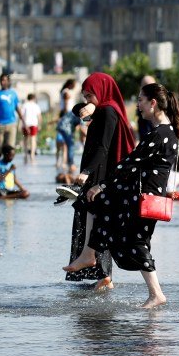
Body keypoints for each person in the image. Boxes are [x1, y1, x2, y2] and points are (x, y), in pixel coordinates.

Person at [63, 83, 179, 308]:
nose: (138, 105)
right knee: (106, 213)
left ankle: (156, 294)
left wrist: (102, 185)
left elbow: (129, 163)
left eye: (141, 100)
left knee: (135, 239)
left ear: (153, 103)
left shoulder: (159, 134)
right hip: (144, 194)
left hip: (144, 197)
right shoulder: (167, 132)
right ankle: (89, 253)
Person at [63, 73, 137, 291]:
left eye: (90, 96)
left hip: (101, 173)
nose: (86, 101)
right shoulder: (105, 108)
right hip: (101, 171)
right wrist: (88, 106)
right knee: (93, 221)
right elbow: (76, 109)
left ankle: (104, 275)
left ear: (102, 91)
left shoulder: (108, 112)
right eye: (84, 96)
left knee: (96, 221)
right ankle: (102, 275)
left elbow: (103, 147)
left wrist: (86, 172)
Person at [0, 73, 25, 154]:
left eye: (5, 80)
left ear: (9, 81)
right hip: (0, 124)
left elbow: (17, 109)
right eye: (2, 80)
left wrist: (24, 123)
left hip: (12, 124)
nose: (3, 82)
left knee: (10, 149)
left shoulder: (13, 94)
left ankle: (8, 166)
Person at [21, 93, 42, 163]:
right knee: (33, 139)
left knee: (25, 139)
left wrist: (20, 125)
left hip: (26, 124)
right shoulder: (36, 106)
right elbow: (39, 116)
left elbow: (22, 116)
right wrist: (40, 125)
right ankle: (32, 155)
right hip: (34, 124)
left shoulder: (24, 105)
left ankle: (25, 154)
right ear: (34, 98)